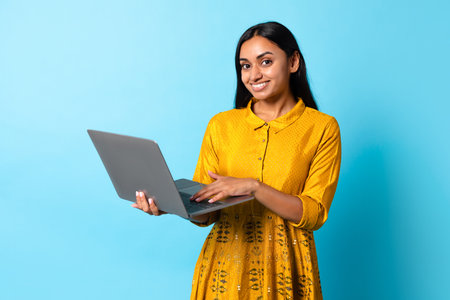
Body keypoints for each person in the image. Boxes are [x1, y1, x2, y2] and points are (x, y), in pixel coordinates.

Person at [133, 21, 341, 299]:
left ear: (293, 62)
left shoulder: (321, 128)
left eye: (265, 62)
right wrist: (170, 205)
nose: (254, 74)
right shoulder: (221, 125)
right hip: (224, 271)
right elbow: (206, 212)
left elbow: (314, 214)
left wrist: (254, 187)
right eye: (245, 66)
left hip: (287, 272)